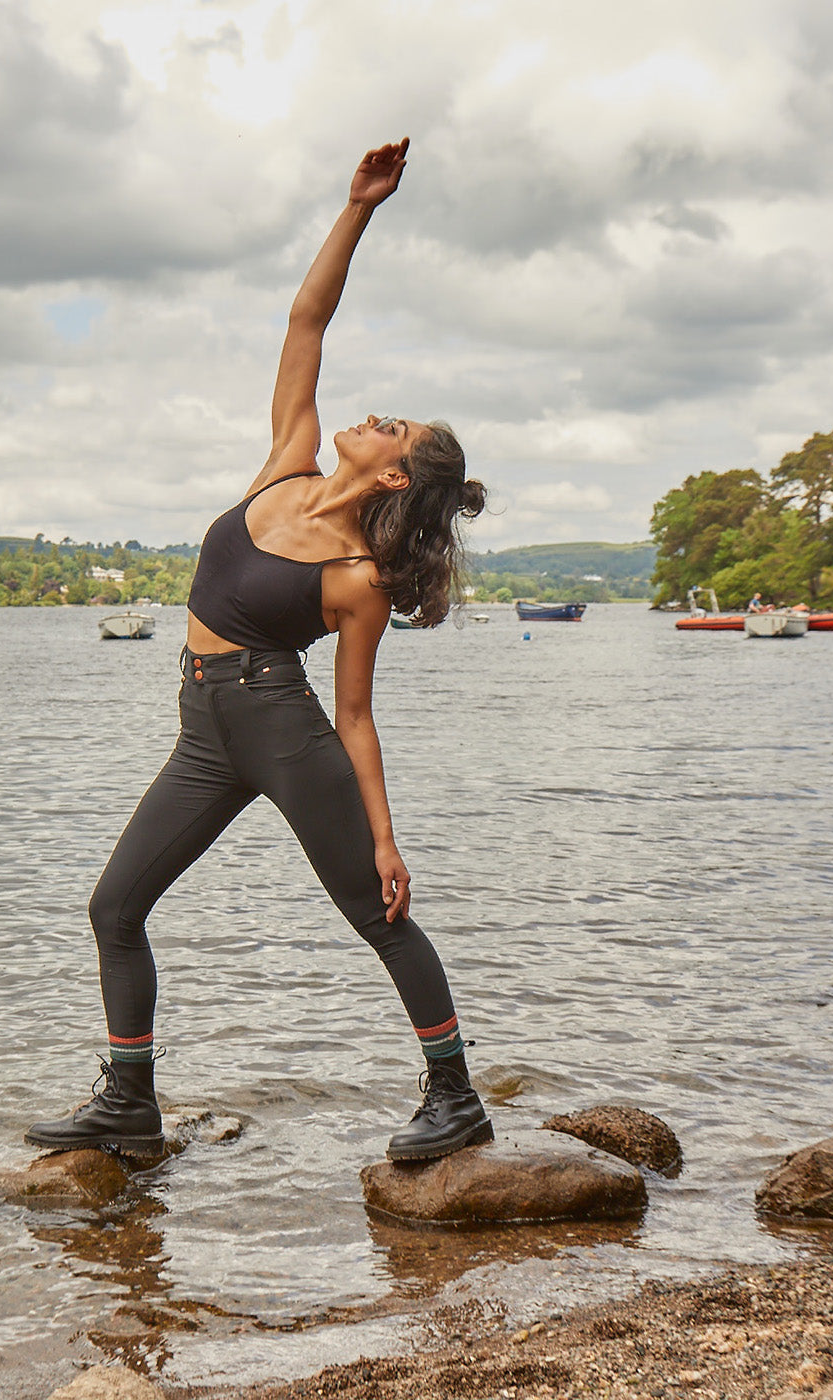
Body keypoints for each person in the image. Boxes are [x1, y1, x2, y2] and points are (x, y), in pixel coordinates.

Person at [26, 139, 492, 1163]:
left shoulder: (359, 579)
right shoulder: (284, 465)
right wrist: (357, 207)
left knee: (375, 912)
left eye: (393, 429)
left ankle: (455, 1093)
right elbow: (305, 321)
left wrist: (385, 836)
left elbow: (355, 714)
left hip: (278, 725)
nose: (373, 416)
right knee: (114, 905)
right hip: (203, 725)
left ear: (392, 477)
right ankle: (129, 1101)